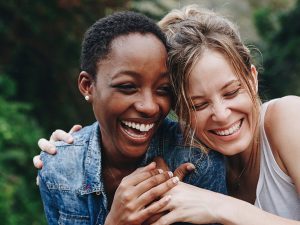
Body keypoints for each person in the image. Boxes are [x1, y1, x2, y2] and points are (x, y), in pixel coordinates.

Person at [36, 10, 226, 225]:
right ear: (87, 86)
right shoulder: (59, 169)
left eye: (163, 89)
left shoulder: (196, 159)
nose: (150, 107)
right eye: (127, 86)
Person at [146, 5, 300, 224]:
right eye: (198, 105)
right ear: (179, 111)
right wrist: (81, 144)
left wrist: (223, 206)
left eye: (231, 92)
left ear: (252, 78)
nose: (222, 114)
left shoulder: (288, 117)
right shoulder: (188, 160)